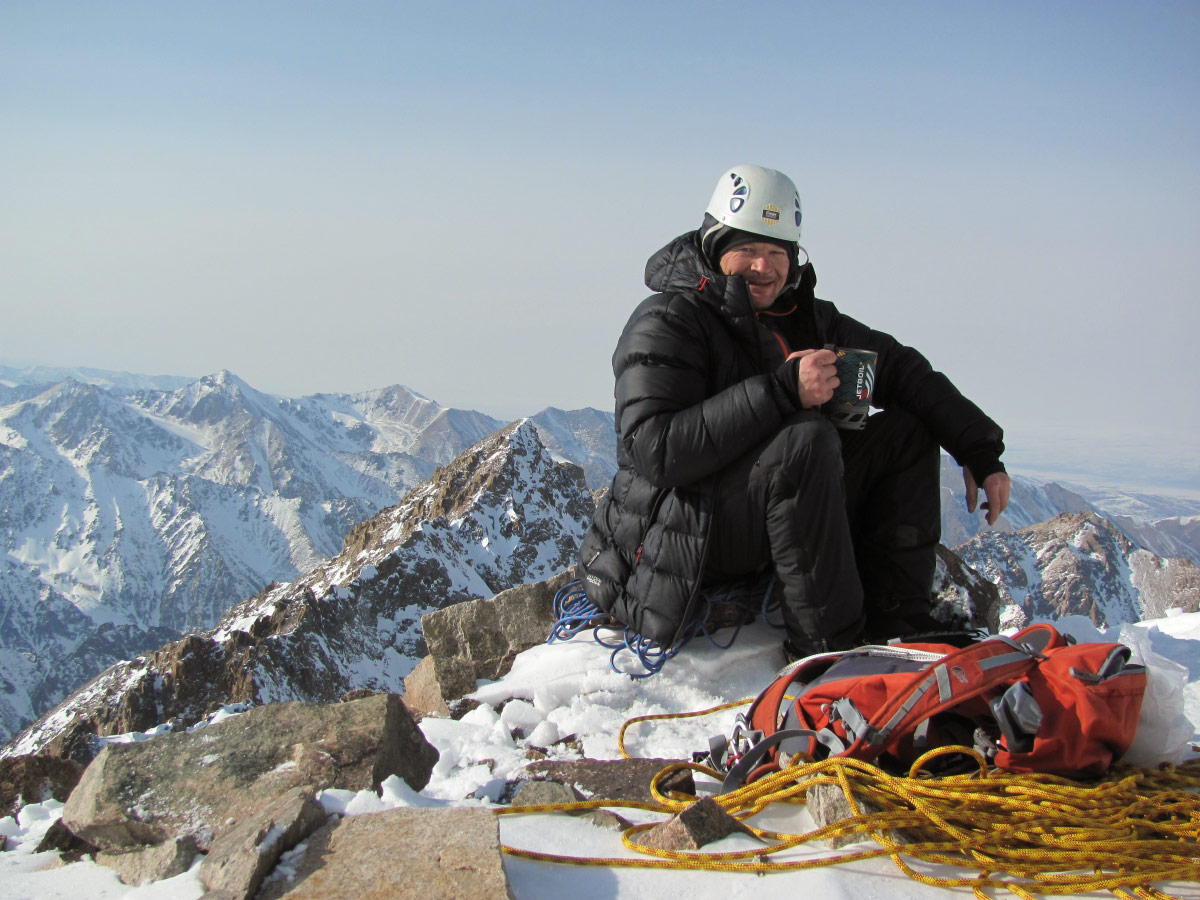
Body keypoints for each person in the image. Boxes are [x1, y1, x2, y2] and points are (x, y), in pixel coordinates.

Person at [577, 164, 1011, 658]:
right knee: (806, 441)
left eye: (776, 252)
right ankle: (829, 646)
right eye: (748, 249)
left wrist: (978, 447)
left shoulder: (805, 317)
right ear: (717, 246)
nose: (764, 267)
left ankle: (898, 615)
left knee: (908, 431)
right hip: (686, 531)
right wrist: (781, 391)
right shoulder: (669, 319)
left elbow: (901, 371)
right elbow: (654, 451)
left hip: (773, 515)